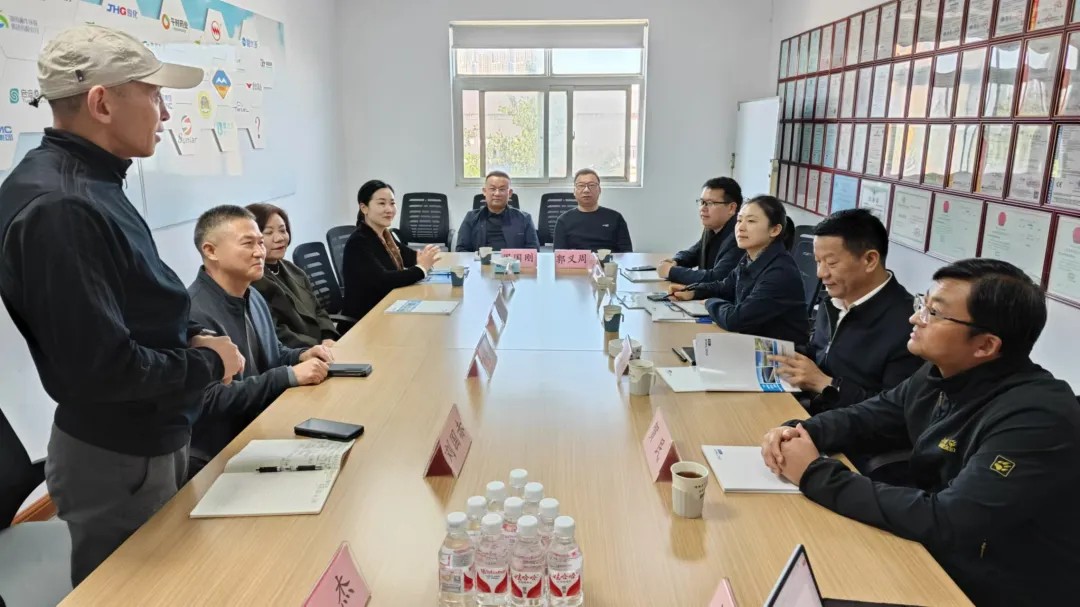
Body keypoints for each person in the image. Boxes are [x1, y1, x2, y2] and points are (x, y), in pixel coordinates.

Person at [0, 25, 244, 585]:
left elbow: (130, 305)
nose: (165, 114)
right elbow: (104, 370)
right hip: (121, 458)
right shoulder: (62, 207)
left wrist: (191, 336)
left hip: (144, 441)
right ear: (101, 103)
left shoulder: (93, 183)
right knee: (136, 592)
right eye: (154, 95)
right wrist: (210, 363)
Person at [760, 259, 1080, 606]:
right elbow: (871, 416)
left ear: (985, 345)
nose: (915, 318)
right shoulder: (941, 372)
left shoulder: (1037, 416)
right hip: (936, 556)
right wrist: (801, 431)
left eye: (934, 313)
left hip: (992, 588)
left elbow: (951, 520)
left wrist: (814, 473)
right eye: (922, 303)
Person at [187, 206, 334, 477]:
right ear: (211, 251)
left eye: (259, 243)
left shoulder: (252, 295)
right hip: (223, 452)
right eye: (248, 244)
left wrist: (300, 355)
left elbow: (272, 352)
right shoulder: (194, 314)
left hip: (266, 424)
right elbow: (209, 400)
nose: (260, 252)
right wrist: (287, 376)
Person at [770, 209, 922, 413]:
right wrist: (777, 356)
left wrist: (826, 384)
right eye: (818, 261)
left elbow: (894, 412)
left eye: (831, 263)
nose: (820, 273)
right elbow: (819, 352)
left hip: (845, 428)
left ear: (870, 260)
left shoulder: (909, 326)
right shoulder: (835, 300)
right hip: (809, 411)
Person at [669, 195, 808, 345]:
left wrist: (710, 302)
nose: (741, 227)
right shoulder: (750, 257)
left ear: (774, 230)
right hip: (752, 341)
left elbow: (735, 320)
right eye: (739, 220)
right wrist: (694, 291)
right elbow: (725, 286)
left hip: (780, 354)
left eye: (751, 221)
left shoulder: (780, 272)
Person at [246, 203, 341, 348]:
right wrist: (316, 346)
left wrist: (328, 336)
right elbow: (277, 333)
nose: (279, 238)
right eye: (269, 232)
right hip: (300, 353)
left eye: (283, 230)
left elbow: (318, 309)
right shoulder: (253, 281)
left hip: (325, 346)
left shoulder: (293, 269)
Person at [343, 180, 439, 320]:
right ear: (364, 208)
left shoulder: (385, 235)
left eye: (392, 203)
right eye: (382, 203)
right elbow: (384, 281)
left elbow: (409, 257)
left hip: (389, 307)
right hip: (367, 319)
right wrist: (421, 269)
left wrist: (423, 257)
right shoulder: (359, 242)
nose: (389, 209)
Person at [657, 177, 744, 285]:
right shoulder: (712, 228)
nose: (703, 208)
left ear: (731, 208)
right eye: (702, 202)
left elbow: (717, 278)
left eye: (710, 203)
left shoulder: (740, 236)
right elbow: (694, 253)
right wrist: (675, 261)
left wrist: (671, 271)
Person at [455, 171, 539, 252]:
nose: (497, 193)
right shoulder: (471, 218)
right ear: (484, 191)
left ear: (509, 193)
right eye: (492, 189)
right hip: (480, 261)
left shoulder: (525, 219)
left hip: (513, 262)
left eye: (502, 189)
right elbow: (461, 250)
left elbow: (533, 250)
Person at [553, 169, 633, 252]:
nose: (586, 190)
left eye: (592, 185)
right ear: (574, 191)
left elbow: (626, 253)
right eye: (581, 185)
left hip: (607, 260)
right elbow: (559, 255)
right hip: (577, 260)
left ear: (599, 190)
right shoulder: (563, 221)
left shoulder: (615, 218)